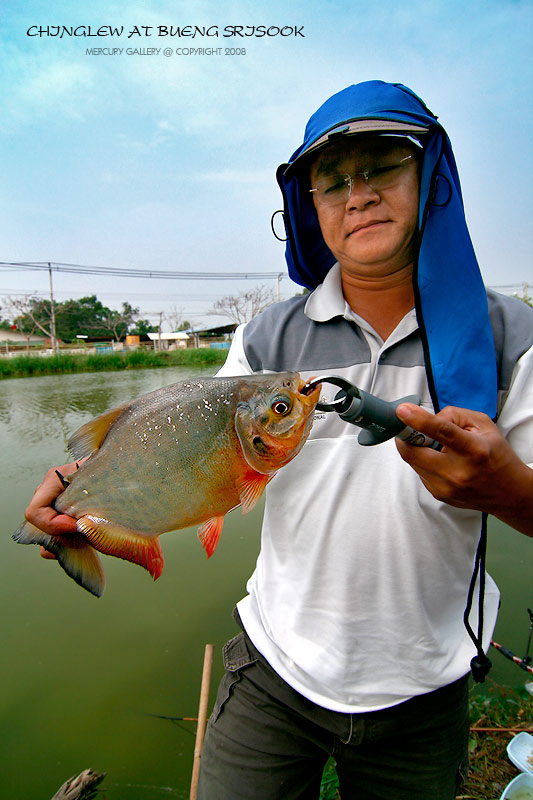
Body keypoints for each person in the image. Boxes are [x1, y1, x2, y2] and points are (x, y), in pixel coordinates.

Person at [24, 81, 533, 799]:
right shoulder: (264, 337)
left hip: (425, 683)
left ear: (430, 177)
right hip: (274, 666)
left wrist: (505, 489)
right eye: (331, 181)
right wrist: (83, 485)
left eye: (382, 165)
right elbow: (186, 439)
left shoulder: (510, 338)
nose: (356, 195)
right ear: (309, 207)